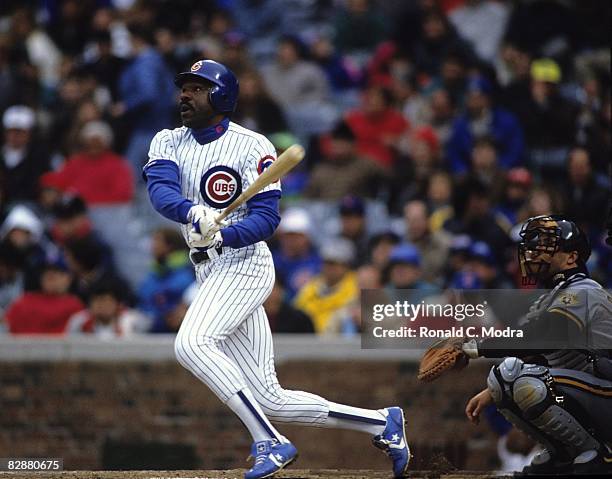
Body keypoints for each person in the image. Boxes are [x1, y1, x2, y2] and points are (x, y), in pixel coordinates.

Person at [143, 59, 410, 479]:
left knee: (191, 345)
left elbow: (267, 219)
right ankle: (383, 423)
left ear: (221, 95)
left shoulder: (253, 145)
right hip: (208, 271)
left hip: (245, 265)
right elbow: (160, 192)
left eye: (197, 88)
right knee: (269, 396)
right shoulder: (168, 140)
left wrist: (223, 235)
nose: (186, 95)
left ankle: (269, 441)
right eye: (185, 88)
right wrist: (194, 212)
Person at [459, 215, 612, 474]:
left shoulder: (584, 289)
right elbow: (538, 351)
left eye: (545, 247)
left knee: (528, 382)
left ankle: (597, 455)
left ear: (571, 257)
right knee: (503, 378)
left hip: (605, 390)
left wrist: (475, 347)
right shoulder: (550, 296)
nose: (532, 254)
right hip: (588, 389)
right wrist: (493, 392)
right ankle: (563, 454)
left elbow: (542, 335)